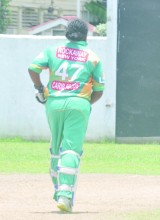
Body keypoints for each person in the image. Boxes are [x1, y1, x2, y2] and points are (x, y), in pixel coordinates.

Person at [28, 18, 105, 212]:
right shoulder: (92, 57)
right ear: (86, 36)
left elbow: (33, 68)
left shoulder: (51, 51)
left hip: (53, 103)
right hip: (79, 103)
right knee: (71, 149)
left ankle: (57, 189)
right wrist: (85, 104)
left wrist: (39, 88)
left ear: (67, 34)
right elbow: (99, 90)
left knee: (56, 147)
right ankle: (65, 195)